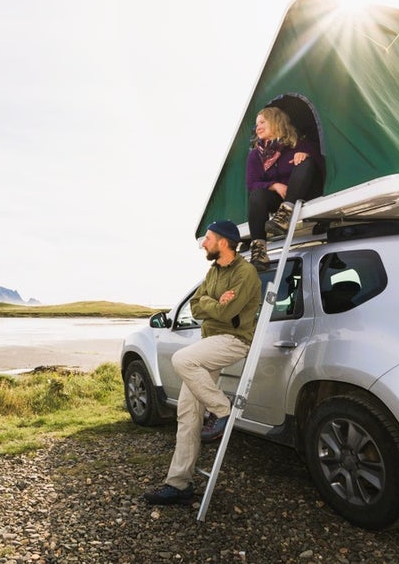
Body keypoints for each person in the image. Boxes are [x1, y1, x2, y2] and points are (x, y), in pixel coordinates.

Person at [143, 220, 261, 505]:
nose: (204, 244)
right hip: (211, 342)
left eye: (207, 238)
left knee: (182, 358)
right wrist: (214, 303)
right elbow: (197, 306)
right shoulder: (213, 271)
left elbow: (229, 311)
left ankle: (223, 409)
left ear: (222, 241)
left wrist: (217, 305)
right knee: (186, 413)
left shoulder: (246, 273)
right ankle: (179, 484)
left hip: (234, 340)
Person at [246, 106, 324, 270]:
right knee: (256, 195)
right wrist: (274, 185)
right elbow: (251, 184)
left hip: (302, 193)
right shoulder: (255, 155)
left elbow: (320, 163)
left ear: (276, 122)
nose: (258, 127)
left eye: (262, 122)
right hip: (277, 199)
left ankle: (285, 215)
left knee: (306, 161)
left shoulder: (298, 144)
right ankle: (259, 251)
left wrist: (305, 156)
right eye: (256, 124)